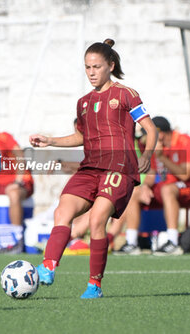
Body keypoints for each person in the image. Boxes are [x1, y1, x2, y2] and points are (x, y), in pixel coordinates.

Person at [30, 38, 157, 299]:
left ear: (110, 65)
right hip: (90, 167)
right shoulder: (84, 102)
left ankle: (94, 285)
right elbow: (82, 137)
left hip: (119, 167)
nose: (91, 72)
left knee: (98, 220)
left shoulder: (126, 94)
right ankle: (49, 265)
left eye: (96, 67)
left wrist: (146, 155)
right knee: (63, 210)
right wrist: (51, 140)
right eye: (87, 67)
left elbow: (151, 129)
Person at [115, 116, 190, 255]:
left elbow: (185, 175)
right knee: (135, 191)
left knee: (167, 190)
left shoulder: (183, 141)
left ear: (160, 132)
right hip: (166, 189)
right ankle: (132, 243)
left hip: (185, 188)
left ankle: (172, 242)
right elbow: (152, 172)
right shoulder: (157, 145)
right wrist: (144, 186)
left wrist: (162, 157)